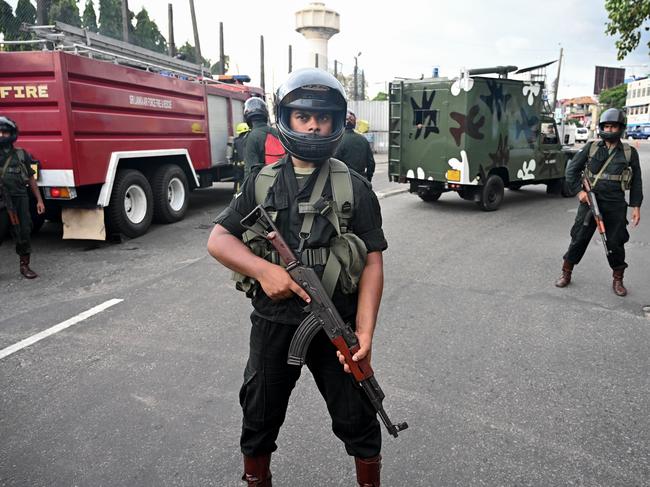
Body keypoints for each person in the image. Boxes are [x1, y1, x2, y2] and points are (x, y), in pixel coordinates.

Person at [207, 68, 387, 486]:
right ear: (285, 120)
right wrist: (263, 269)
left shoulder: (355, 188)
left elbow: (373, 262)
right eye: (302, 117)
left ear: (336, 121)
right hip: (273, 322)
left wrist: (364, 336)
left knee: (360, 417)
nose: (312, 125)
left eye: (322, 117)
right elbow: (219, 239)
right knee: (258, 418)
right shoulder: (260, 182)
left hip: (335, 322)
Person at [555, 108, 642, 296]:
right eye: (607, 126)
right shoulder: (592, 147)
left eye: (614, 127)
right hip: (590, 202)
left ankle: (618, 280)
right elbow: (571, 171)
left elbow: (636, 182)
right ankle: (566, 273)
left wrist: (636, 206)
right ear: (602, 127)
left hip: (615, 204)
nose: (609, 130)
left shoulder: (629, 153)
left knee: (615, 242)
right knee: (579, 237)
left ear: (621, 128)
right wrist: (579, 192)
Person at [0, 116, 45, 279]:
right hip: (1, 201)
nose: (1, 135)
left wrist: (39, 200)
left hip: (19, 198)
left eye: (4, 132)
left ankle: (25, 266)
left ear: (11, 134)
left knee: (23, 231)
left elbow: (31, 178)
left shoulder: (21, 154)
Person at [242, 97, 285, 178]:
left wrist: (244, 189)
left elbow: (250, 170)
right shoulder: (278, 133)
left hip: (265, 183)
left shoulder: (252, 137)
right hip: (283, 180)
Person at [334, 111, 376, 182]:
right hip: (361, 180)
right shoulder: (363, 140)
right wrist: (368, 179)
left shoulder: (337, 141)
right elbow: (371, 163)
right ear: (354, 124)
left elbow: (333, 164)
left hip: (343, 181)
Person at [232, 122, 250, 192]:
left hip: (237, 166)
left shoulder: (235, 141)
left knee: (238, 180)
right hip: (246, 164)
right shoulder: (248, 140)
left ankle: (238, 194)